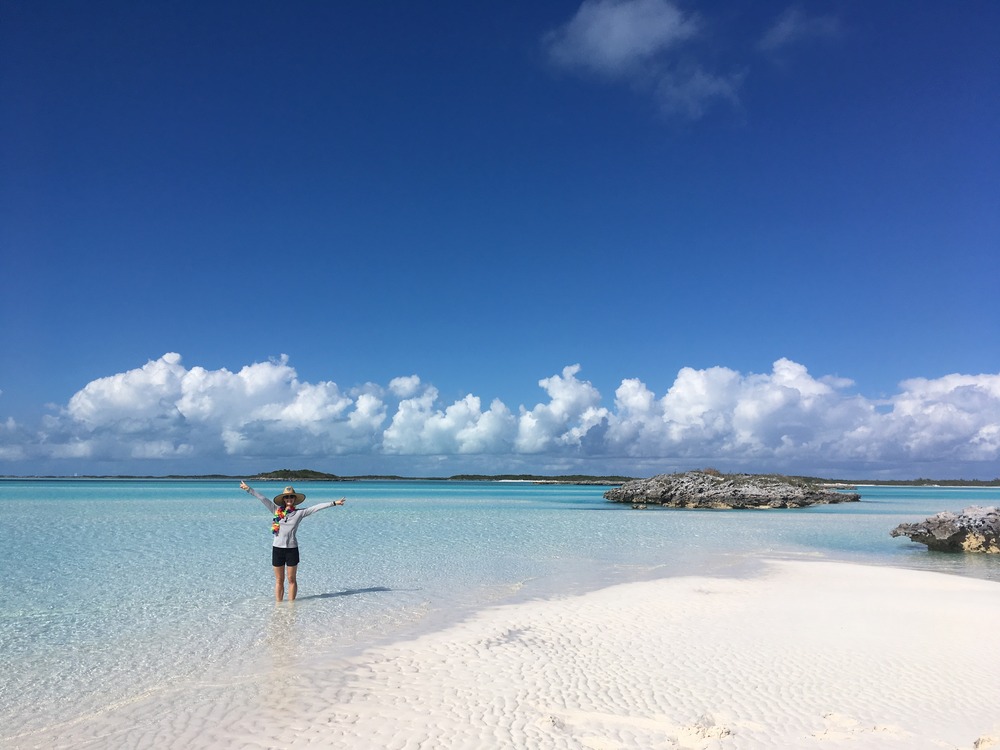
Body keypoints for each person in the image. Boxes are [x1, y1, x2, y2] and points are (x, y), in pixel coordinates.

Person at [240, 480, 346, 602]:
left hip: (292, 550)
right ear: (284, 499)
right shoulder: (276, 510)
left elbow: (316, 507)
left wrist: (334, 503)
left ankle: (291, 606)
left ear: (294, 499)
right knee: (279, 580)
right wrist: (248, 489)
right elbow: (263, 499)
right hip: (277, 549)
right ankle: (279, 607)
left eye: (291, 497)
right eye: (286, 497)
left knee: (291, 579)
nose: (289, 499)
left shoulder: (299, 513)